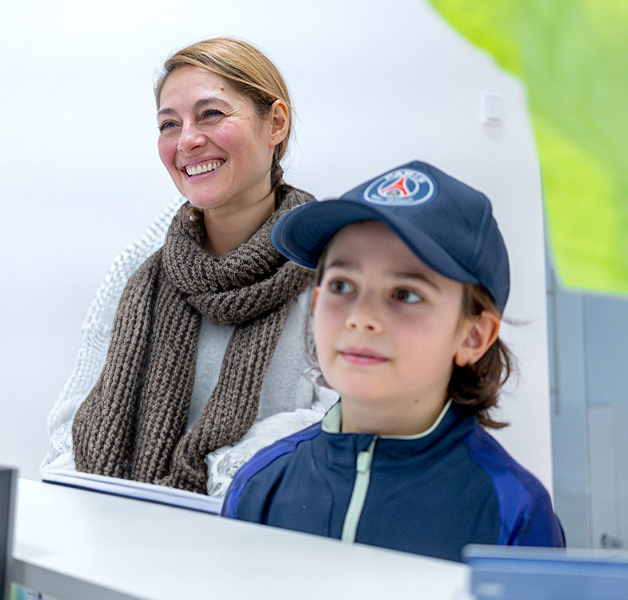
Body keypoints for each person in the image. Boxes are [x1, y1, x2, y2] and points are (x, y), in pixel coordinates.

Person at [222, 160, 565, 561]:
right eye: (341, 285)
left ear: (473, 336)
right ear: (316, 306)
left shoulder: (514, 510)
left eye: (405, 294)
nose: (360, 317)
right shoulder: (262, 483)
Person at [42, 37, 336, 496]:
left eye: (212, 114)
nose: (188, 140)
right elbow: (70, 422)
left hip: (267, 538)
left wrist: (202, 485)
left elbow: (340, 425)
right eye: (168, 124)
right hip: (128, 531)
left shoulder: (330, 268)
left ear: (275, 122)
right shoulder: (140, 270)